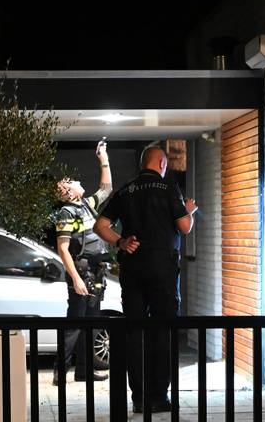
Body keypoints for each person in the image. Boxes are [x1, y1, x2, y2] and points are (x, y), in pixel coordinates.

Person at [93, 146, 197, 413]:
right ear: (161, 162)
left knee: (134, 330)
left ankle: (138, 397)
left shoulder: (126, 190)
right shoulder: (167, 188)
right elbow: (184, 227)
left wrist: (121, 241)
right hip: (162, 269)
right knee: (163, 330)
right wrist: (188, 211)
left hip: (133, 268)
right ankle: (159, 396)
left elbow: (100, 226)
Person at [52, 140, 112, 385]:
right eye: (73, 182)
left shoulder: (86, 204)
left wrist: (103, 159)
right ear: (69, 192)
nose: (78, 182)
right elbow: (63, 248)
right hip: (82, 273)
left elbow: (106, 189)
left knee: (92, 324)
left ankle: (84, 372)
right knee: (75, 326)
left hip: (95, 273)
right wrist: (76, 278)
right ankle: (60, 372)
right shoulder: (66, 213)